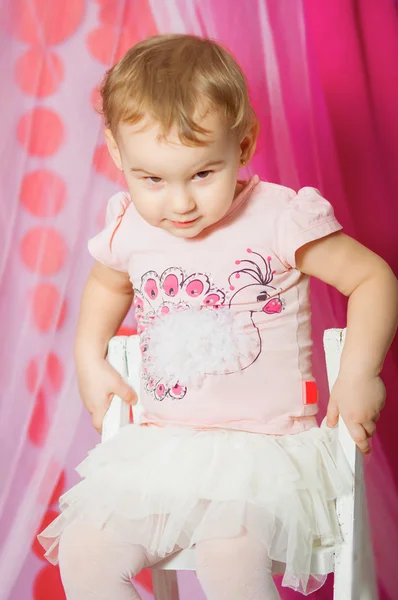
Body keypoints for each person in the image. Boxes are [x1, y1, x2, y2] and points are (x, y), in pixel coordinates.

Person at [38, 34, 398, 599]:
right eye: (152, 179)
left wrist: (359, 373)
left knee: (228, 553)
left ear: (244, 143)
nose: (179, 204)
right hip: (165, 450)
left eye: (203, 174)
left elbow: (373, 278)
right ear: (116, 154)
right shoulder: (130, 225)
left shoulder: (279, 219)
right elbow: (108, 282)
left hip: (266, 454)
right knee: (85, 550)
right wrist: (89, 353)